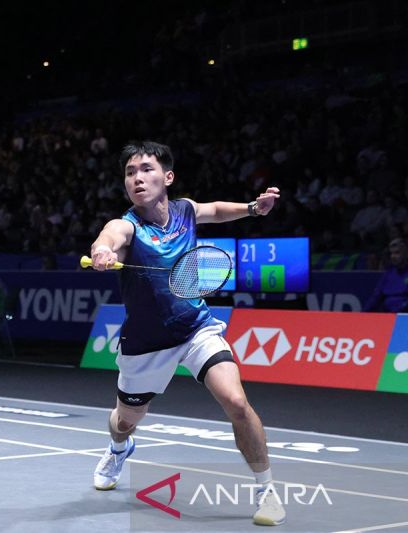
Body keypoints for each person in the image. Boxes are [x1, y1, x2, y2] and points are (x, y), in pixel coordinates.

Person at [89, 141, 285, 526]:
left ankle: (267, 492)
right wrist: (102, 250)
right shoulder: (128, 224)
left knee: (237, 402)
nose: (137, 178)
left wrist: (251, 208)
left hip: (196, 328)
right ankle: (119, 448)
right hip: (145, 344)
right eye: (130, 173)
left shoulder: (185, 211)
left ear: (167, 177)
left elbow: (213, 210)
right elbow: (108, 236)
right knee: (125, 420)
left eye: (146, 169)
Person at [364, 237, 408, 312]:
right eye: (391, 253)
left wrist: (400, 309)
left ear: (406, 253)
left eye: (397, 253)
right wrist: (362, 314)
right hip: (387, 316)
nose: (393, 256)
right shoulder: (389, 273)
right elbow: (376, 297)